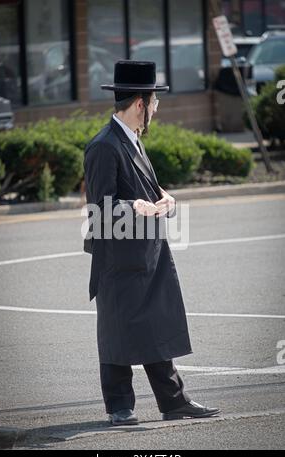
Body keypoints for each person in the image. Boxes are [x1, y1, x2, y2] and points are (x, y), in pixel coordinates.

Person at [84, 60, 220, 426]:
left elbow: (145, 187)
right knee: (117, 327)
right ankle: (119, 405)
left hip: (148, 252)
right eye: (154, 102)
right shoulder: (104, 146)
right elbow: (99, 208)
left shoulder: (133, 141)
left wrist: (165, 197)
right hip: (118, 257)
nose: (157, 109)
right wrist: (137, 206)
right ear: (141, 103)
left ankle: (173, 401)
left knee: (154, 325)